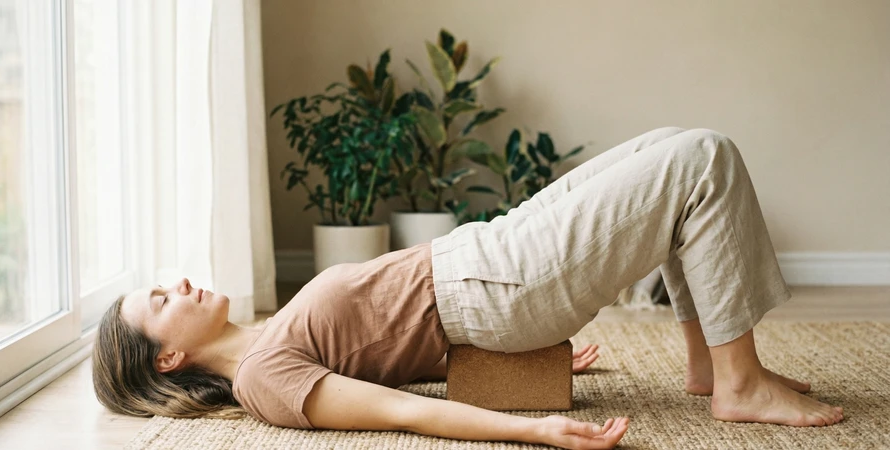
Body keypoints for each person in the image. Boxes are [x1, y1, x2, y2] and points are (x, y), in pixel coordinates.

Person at [92, 127, 842, 450]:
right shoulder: (262, 381)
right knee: (701, 158)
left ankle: (710, 363)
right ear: (165, 361)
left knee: (667, 146)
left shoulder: (265, 340)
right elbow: (396, 411)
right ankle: (737, 383)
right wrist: (532, 429)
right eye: (160, 302)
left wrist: (521, 366)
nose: (178, 285)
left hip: (482, 258)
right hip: (494, 283)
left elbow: (379, 349)